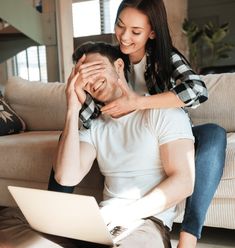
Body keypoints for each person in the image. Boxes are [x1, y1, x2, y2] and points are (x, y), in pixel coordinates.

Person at [71, 1, 227, 247]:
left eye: (135, 31)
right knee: (67, 138)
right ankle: (55, 217)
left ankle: (188, 237)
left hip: (166, 131)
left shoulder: (165, 56)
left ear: (152, 32)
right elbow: (91, 116)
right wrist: (76, 97)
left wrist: (138, 103)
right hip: (128, 134)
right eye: (120, 26)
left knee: (215, 134)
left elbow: (197, 90)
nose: (124, 36)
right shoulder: (112, 59)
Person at [49, 41, 195, 248]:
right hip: (100, 222)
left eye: (96, 69)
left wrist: (123, 215)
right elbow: (66, 177)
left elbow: (183, 182)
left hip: (145, 223)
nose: (92, 80)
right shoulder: (94, 127)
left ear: (118, 66)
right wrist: (72, 107)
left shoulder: (162, 111)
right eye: (85, 77)